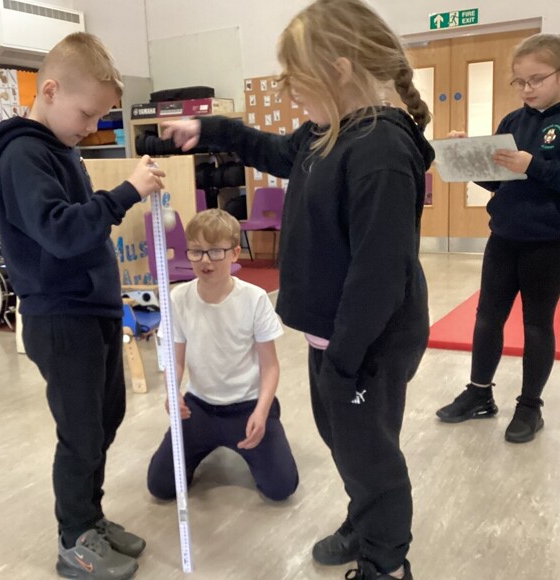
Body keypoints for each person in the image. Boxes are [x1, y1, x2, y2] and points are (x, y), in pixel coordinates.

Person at [161, 1, 433, 578]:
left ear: (339, 69)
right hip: (332, 338)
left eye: (294, 76)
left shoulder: (380, 149)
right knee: (344, 444)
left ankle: (386, 563)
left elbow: (380, 275)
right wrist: (208, 129)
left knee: (373, 459)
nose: (286, 89)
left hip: (367, 342)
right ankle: (363, 523)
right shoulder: (326, 132)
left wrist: (346, 361)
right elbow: (272, 150)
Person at [0, 32, 166, 580]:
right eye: (87, 114)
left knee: (104, 421)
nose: (91, 127)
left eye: (100, 117)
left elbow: (83, 231)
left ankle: (91, 517)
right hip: (61, 317)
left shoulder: (62, 147)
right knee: (81, 433)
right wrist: (125, 193)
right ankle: (73, 540)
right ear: (50, 90)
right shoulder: (23, 154)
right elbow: (61, 232)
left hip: (94, 310)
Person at [435, 33, 560, 444]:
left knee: (536, 324)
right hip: (505, 235)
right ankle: (479, 393)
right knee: (487, 317)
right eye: (520, 81)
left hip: (551, 240)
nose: (527, 89)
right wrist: (467, 159)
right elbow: (500, 182)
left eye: (536, 79)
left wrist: (534, 165)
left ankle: (530, 406)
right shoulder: (515, 121)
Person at [147, 209, 299, 503]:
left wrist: (261, 412)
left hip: (247, 407)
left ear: (235, 253)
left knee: (281, 487)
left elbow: (270, 367)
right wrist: (172, 392)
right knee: (160, 486)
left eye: (216, 251)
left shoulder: (254, 298)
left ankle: (259, 425)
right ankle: (206, 441)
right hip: (199, 408)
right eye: (196, 251)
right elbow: (175, 359)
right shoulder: (178, 298)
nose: (205, 260)